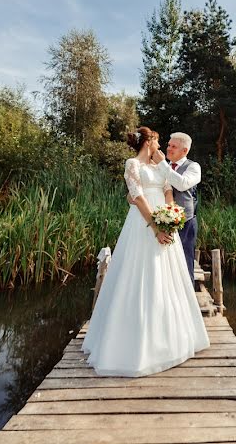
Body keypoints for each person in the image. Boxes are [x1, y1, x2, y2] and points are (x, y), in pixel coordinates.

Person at [81, 127, 209, 376]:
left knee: (170, 276)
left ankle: (170, 334)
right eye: (160, 144)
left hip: (169, 223)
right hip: (142, 225)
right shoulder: (133, 164)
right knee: (138, 274)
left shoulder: (177, 166)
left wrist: (170, 220)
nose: (163, 148)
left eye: (169, 146)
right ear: (148, 141)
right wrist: (155, 227)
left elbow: (170, 190)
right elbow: (137, 197)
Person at [151, 132, 201, 289]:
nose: (168, 149)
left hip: (185, 224)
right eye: (168, 145)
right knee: (163, 265)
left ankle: (188, 304)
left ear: (184, 151)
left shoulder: (193, 167)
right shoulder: (160, 166)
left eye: (174, 146)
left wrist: (162, 165)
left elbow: (181, 184)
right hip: (160, 224)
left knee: (185, 265)